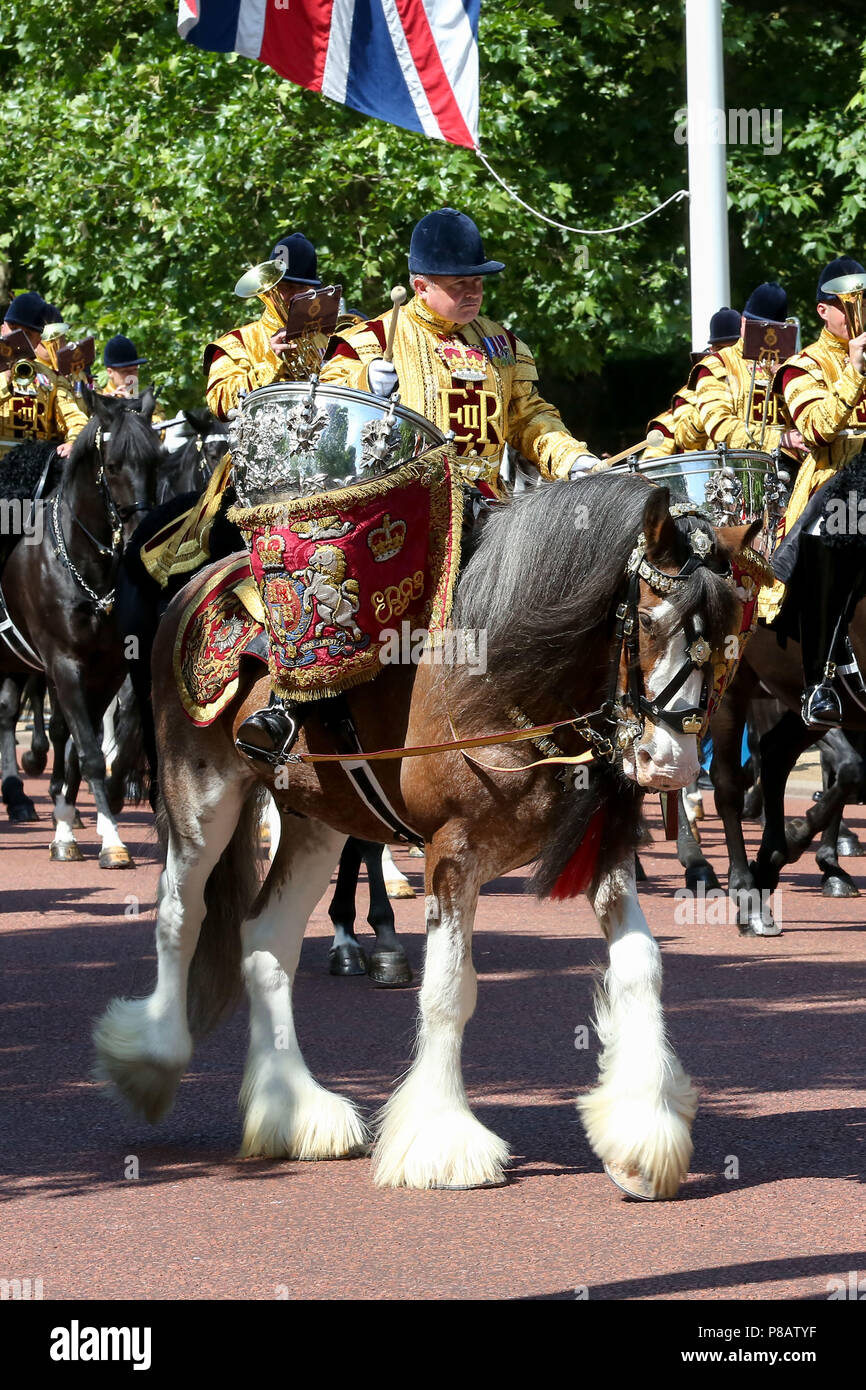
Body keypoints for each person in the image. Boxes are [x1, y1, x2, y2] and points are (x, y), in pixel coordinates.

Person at [319, 207, 599, 497]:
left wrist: (571, 458)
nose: (473, 292)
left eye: (478, 281)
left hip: (489, 512)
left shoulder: (502, 342)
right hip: (402, 509)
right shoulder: (372, 339)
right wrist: (364, 384)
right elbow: (324, 411)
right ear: (421, 287)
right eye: (459, 283)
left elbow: (527, 418)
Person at [766, 256, 866, 728]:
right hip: (836, 485)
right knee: (837, 537)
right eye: (851, 306)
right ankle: (820, 681)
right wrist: (855, 370)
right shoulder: (799, 366)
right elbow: (818, 429)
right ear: (825, 311)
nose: (860, 313)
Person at [205, 232, 329, 420]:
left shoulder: (331, 336)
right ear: (270, 289)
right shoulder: (237, 342)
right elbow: (218, 402)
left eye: (301, 289)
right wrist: (270, 361)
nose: (292, 297)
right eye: (285, 288)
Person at [690, 282, 803, 458]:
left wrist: (785, 378)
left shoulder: (794, 366)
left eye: (775, 330)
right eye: (760, 328)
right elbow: (720, 427)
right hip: (732, 471)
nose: (768, 337)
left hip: (791, 468)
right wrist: (778, 439)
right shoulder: (717, 364)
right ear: (743, 323)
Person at [643, 308, 741, 461]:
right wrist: (710, 400)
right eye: (722, 349)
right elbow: (687, 440)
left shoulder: (759, 382)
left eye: (734, 347)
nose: (728, 355)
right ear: (712, 350)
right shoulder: (686, 399)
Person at [0, 293, 87, 458]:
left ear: (37, 340)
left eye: (27, 333)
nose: (18, 338)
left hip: (34, 468)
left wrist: (74, 441)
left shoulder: (53, 379)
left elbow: (74, 418)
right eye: (13, 329)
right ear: (2, 327)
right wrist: (5, 378)